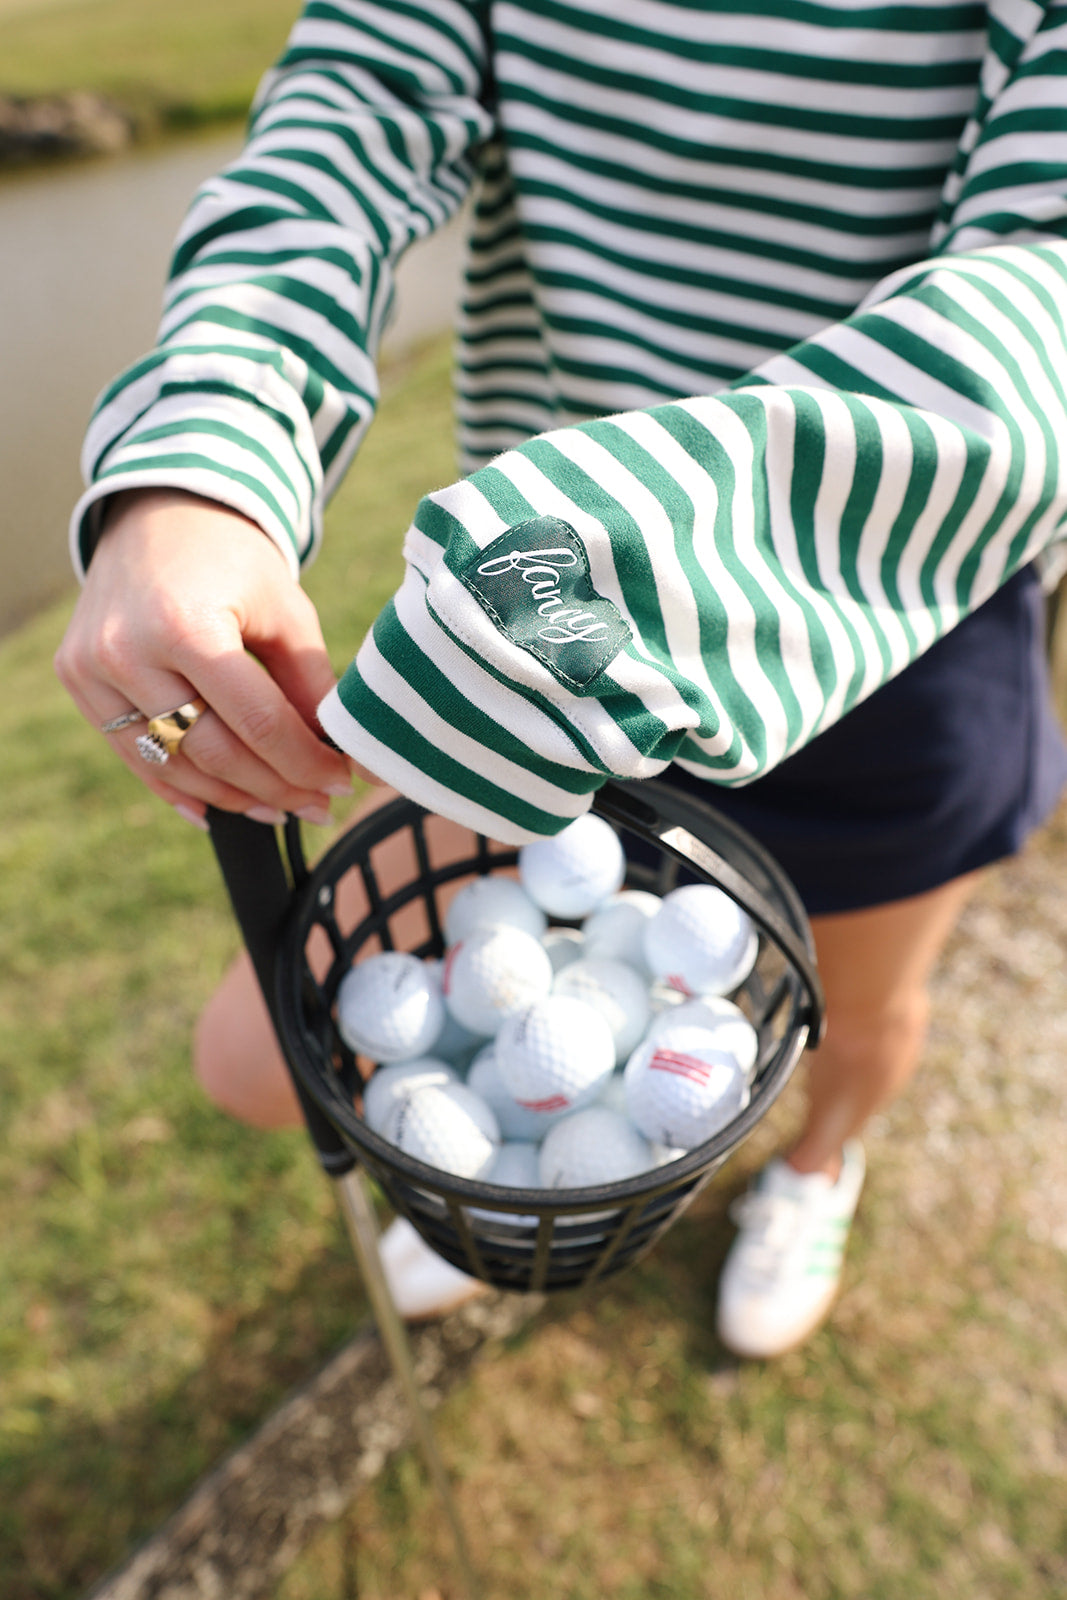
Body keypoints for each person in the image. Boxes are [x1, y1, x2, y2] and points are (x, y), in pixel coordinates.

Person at [56, 0, 1067, 1355]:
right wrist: (207, 440)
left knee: (861, 1011)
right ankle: (531, 1193)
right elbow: (356, 108)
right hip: (538, 642)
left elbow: (1044, 263)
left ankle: (818, 1167)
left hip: (892, 611)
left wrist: (604, 577)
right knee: (257, 1061)